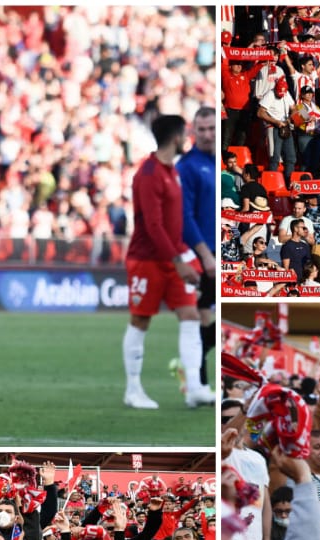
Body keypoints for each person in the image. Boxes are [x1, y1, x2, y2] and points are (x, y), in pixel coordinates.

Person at [123, 113, 210, 411]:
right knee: (140, 320)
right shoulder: (148, 174)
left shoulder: (170, 170)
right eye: (185, 134)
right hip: (148, 260)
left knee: (190, 316)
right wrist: (180, 261)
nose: (188, 139)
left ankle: (196, 388)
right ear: (176, 138)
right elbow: (153, 225)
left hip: (173, 258)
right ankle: (133, 390)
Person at [175, 106, 216, 390]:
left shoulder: (223, 161)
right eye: (201, 129)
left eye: (212, 128)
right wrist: (205, 255)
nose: (207, 134)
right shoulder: (187, 167)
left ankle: (189, 371)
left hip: (227, 255)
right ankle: (198, 385)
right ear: (193, 131)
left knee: (210, 321)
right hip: (204, 257)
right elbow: (184, 216)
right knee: (204, 317)